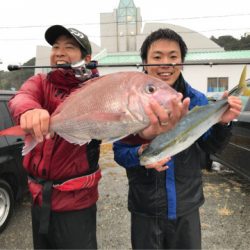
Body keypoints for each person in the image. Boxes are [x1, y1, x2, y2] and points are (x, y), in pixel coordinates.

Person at [8, 25, 189, 249]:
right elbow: (22, 97)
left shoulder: (102, 86)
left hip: (76, 201)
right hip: (38, 197)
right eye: (55, 47)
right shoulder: (40, 82)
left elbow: (123, 132)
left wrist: (146, 134)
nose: (60, 52)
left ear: (87, 58)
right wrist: (28, 111)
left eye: (69, 47)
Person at [113, 28, 242, 249]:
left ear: (182, 62)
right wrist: (139, 153)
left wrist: (223, 122)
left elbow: (212, 146)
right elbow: (119, 152)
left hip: (186, 207)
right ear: (144, 63)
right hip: (145, 208)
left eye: (173, 57)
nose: (166, 63)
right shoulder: (130, 105)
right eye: (157, 57)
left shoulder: (197, 100)